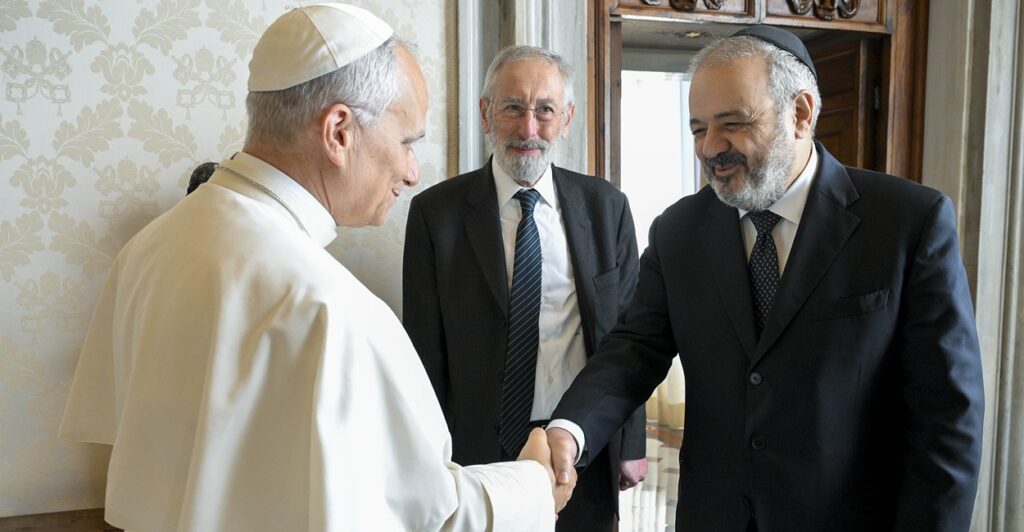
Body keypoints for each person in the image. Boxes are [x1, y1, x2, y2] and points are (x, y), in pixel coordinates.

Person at [58, 4, 568, 531]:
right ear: (339, 131)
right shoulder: (332, 310)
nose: (413, 172)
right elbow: (432, 517)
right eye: (407, 142)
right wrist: (531, 480)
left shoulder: (148, 248)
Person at [547, 25, 985, 531]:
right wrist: (569, 429)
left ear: (801, 113)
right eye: (697, 128)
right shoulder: (678, 231)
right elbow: (634, 349)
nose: (711, 147)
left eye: (732, 122)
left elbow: (947, 420)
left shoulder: (909, 222)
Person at [402, 45, 647, 532]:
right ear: (485, 113)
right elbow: (424, 352)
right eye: (513, 108)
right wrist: (425, 456)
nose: (529, 129)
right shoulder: (437, 214)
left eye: (545, 110)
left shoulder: (607, 208)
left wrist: (631, 444)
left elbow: (631, 334)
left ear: (568, 117)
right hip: (473, 457)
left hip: (582, 449)